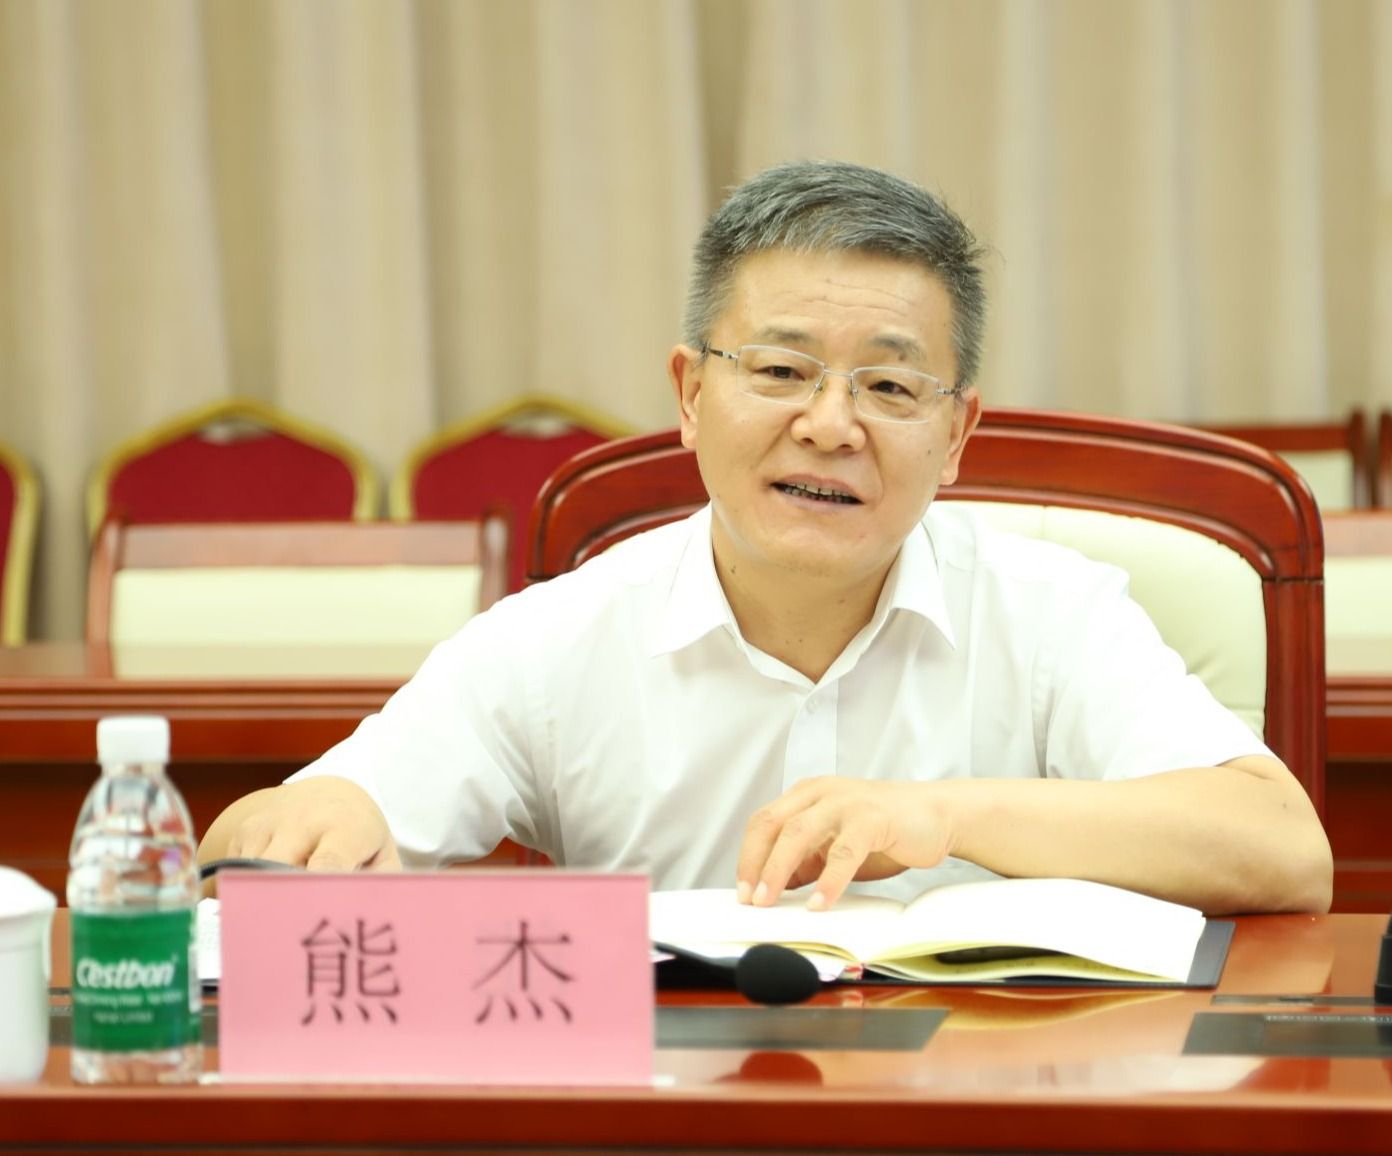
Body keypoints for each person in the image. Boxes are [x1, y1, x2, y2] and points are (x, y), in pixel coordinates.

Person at [199, 160, 1332, 915]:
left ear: (955, 435)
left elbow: (1283, 848)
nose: (831, 425)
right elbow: (251, 850)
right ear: (691, 395)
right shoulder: (561, 638)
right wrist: (311, 821)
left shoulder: (1051, 614)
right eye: (781, 371)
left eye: (891, 385)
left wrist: (942, 816)